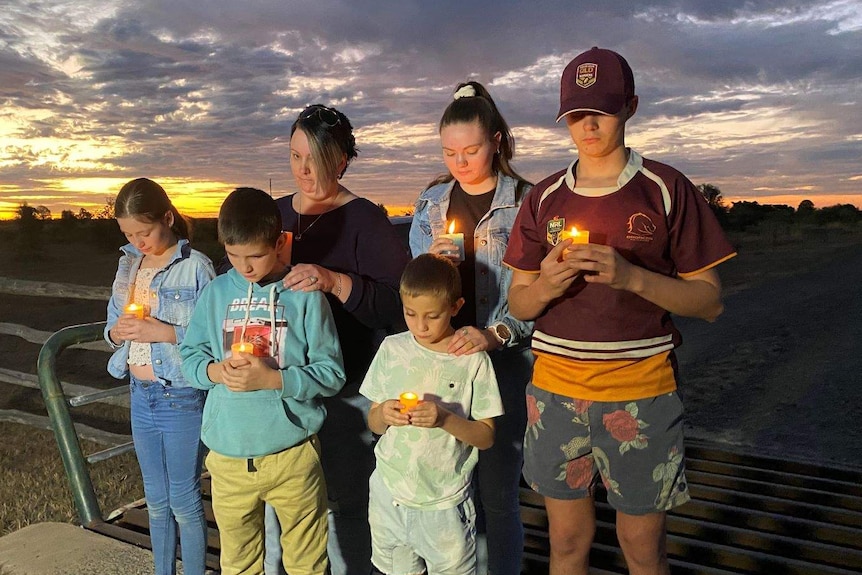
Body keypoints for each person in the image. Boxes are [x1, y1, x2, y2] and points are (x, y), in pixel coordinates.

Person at [504, 47, 737, 575]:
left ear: (630, 107)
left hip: (641, 391)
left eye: (601, 111)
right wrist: (545, 285)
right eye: (575, 115)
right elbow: (519, 300)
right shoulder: (543, 198)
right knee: (564, 541)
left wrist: (632, 277)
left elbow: (710, 300)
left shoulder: (664, 188)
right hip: (555, 390)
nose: (587, 126)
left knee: (642, 546)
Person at [266, 103, 410, 575]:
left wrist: (333, 280)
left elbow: (395, 304)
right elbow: (238, 276)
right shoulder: (276, 214)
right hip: (279, 388)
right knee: (282, 503)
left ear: (342, 161)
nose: (304, 171)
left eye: (316, 159)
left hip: (344, 389)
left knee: (348, 502)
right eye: (294, 157)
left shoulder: (364, 219)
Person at [179, 187, 346, 575]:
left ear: (279, 242)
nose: (245, 267)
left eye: (255, 255)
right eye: (234, 255)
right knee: (238, 562)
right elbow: (189, 356)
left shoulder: (304, 296)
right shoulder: (216, 293)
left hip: (294, 454)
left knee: (307, 563)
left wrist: (274, 381)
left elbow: (332, 373)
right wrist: (215, 372)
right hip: (229, 456)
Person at [409, 80, 534, 575]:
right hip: (441, 365)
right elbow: (413, 286)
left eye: (472, 150)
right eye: (449, 152)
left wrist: (495, 333)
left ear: (497, 142)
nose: (460, 162)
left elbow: (536, 291)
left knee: (498, 494)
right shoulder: (432, 202)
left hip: (502, 366)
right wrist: (428, 263)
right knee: (444, 491)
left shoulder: (527, 203)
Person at [360, 253, 504, 575]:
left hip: (444, 505)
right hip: (390, 496)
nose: (420, 326)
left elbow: (486, 436)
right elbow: (373, 421)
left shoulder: (472, 360)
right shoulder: (392, 349)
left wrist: (445, 419)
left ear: (456, 307)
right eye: (410, 314)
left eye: (432, 316)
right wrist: (384, 413)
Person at [105, 177, 214, 575]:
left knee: (184, 500)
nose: (139, 241)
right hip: (139, 393)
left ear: (167, 217)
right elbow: (111, 324)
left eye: (144, 231)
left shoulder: (195, 267)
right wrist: (116, 332)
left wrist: (164, 331)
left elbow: (213, 336)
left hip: (180, 395)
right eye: (129, 233)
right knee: (155, 499)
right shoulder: (128, 265)